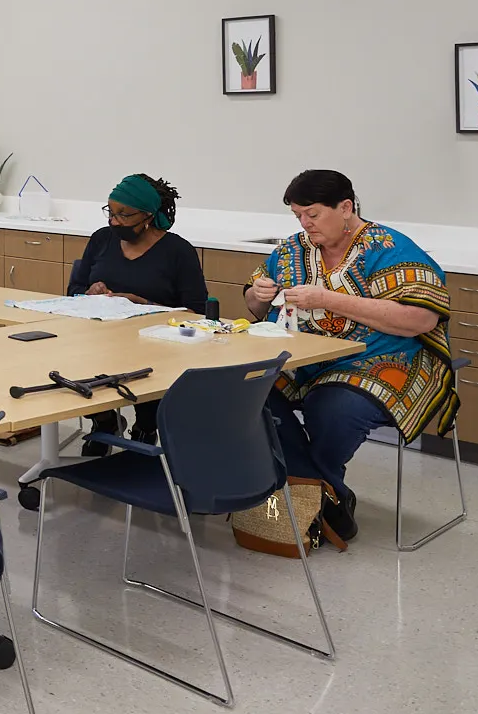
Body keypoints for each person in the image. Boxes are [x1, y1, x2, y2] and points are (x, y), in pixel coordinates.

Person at [246, 169, 455, 546]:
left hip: (385, 361)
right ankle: (328, 495)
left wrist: (327, 299)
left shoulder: (387, 248)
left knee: (333, 409)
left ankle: (312, 496)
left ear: (345, 207)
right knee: (250, 393)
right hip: (304, 362)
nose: (305, 224)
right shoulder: (294, 249)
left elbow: (421, 318)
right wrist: (259, 294)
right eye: (298, 216)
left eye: (312, 214)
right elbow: (253, 304)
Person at [69, 174, 209, 445]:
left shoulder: (178, 251)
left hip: (156, 344)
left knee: (145, 375)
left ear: (147, 216)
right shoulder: (101, 240)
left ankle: (145, 426)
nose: (113, 221)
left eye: (124, 215)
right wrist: (89, 292)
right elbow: (73, 290)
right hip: (100, 338)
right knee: (79, 362)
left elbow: (197, 311)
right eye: (110, 212)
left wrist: (143, 303)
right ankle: (104, 422)